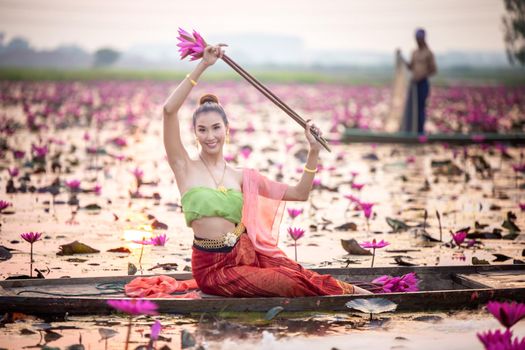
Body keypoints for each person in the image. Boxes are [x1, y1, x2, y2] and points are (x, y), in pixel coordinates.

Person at [162, 44, 371, 297]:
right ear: (195, 133)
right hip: (212, 271)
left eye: (216, 128)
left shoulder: (242, 176)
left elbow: (299, 193)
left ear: (227, 130)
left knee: (296, 274)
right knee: (288, 283)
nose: (210, 136)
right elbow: (168, 110)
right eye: (202, 130)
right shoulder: (184, 167)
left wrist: (313, 151)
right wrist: (204, 64)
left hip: (245, 256)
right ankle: (353, 296)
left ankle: (360, 294)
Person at [401, 28, 437, 134]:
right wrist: (401, 58)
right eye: (416, 38)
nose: (417, 40)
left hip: (422, 83)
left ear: (423, 39)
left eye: (419, 38)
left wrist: (421, 76)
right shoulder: (414, 52)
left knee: (420, 108)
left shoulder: (428, 53)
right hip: (414, 84)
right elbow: (410, 67)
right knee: (412, 108)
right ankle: (411, 130)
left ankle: (420, 132)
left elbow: (433, 70)